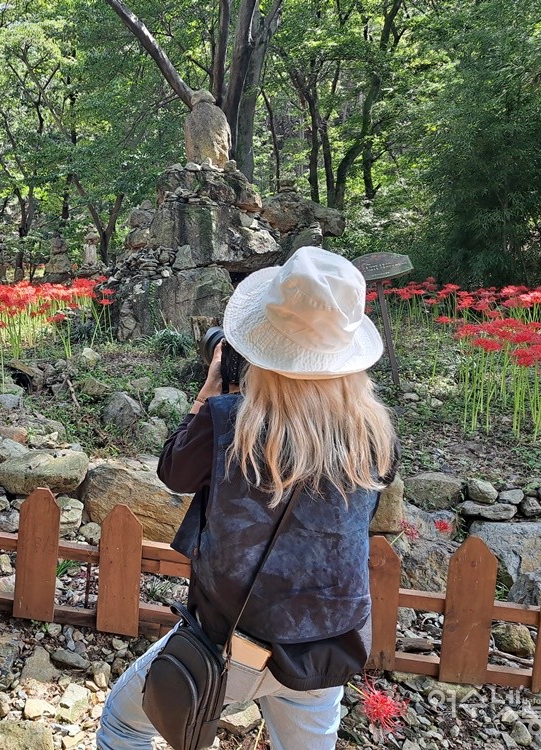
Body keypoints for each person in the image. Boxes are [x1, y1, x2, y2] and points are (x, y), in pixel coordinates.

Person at [96, 246, 398, 750]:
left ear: (264, 343)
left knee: (124, 725)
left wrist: (211, 391)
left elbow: (173, 470)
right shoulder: (375, 436)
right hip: (323, 652)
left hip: (230, 643)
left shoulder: (230, 421)